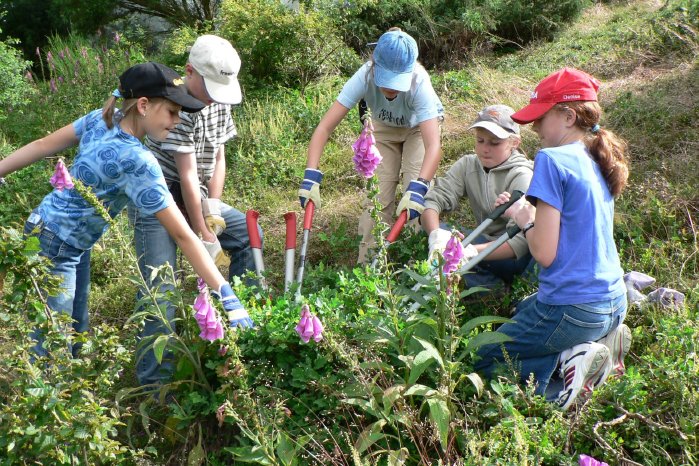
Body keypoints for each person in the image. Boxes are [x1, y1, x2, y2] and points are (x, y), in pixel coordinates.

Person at [0, 62, 252, 360]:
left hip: (51, 230)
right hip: (57, 247)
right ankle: (42, 395)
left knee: (75, 330)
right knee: (52, 342)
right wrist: (224, 291)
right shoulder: (138, 161)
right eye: (172, 111)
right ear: (144, 105)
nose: (177, 121)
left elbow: (43, 145)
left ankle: (70, 391)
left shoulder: (102, 119)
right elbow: (182, 235)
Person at [475, 68, 632, 410]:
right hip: (614, 302)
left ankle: (564, 369)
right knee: (522, 308)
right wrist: (525, 211)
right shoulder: (597, 157)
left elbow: (544, 253)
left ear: (568, 115)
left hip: (574, 308)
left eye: (540, 119)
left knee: (482, 357)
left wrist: (521, 216)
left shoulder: (551, 159)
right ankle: (599, 341)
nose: (535, 129)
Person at [127, 35, 258, 386]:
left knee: (245, 234)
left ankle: (243, 322)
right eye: (211, 86)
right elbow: (184, 174)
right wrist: (203, 233)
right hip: (159, 196)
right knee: (161, 286)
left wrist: (213, 207)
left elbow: (218, 156)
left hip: (198, 193)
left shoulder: (220, 99)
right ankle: (156, 386)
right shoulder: (177, 106)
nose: (216, 95)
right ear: (190, 72)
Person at [298, 28, 444, 263]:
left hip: (418, 131)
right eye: (386, 79)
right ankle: (369, 271)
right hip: (382, 129)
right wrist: (310, 175)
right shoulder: (364, 76)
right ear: (374, 65)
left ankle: (417, 268)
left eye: (397, 81)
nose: (391, 88)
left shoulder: (420, 82)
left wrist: (420, 186)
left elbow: (433, 146)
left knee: (416, 198)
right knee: (375, 201)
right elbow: (324, 128)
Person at [421, 105, 534, 289]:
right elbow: (434, 200)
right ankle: (484, 283)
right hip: (483, 244)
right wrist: (435, 237)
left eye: (494, 143)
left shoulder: (522, 175)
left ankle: (493, 290)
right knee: (439, 230)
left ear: (515, 143)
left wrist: (467, 251)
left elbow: (520, 243)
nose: (485, 148)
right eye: (480, 140)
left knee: (456, 251)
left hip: (513, 258)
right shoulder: (468, 165)